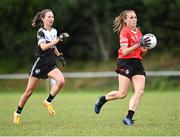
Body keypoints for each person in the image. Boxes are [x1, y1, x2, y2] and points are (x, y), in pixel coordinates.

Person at [94, 10, 151, 126]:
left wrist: (147, 49)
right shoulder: (124, 32)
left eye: (135, 17)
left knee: (139, 91)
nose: (134, 19)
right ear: (125, 20)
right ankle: (103, 99)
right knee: (122, 94)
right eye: (131, 18)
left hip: (137, 62)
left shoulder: (139, 33)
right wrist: (138, 45)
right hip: (124, 62)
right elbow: (124, 52)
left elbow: (140, 54)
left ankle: (128, 118)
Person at [13, 9, 69, 124]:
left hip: (50, 64)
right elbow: (43, 47)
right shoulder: (40, 32)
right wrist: (58, 40)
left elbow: (53, 47)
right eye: (49, 17)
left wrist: (59, 55)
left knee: (61, 81)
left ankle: (47, 102)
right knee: (29, 91)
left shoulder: (54, 31)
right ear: (43, 19)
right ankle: (17, 113)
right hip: (40, 63)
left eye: (52, 17)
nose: (51, 19)